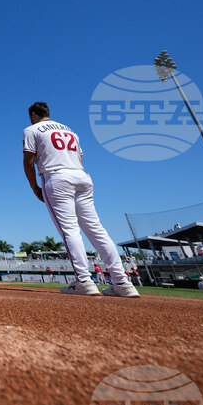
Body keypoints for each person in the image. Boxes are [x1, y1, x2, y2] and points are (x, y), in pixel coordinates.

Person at [22, 102, 139, 298]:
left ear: (33, 114)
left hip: (57, 177)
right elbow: (80, 158)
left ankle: (83, 280)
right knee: (97, 229)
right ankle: (122, 282)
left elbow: (29, 161)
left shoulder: (31, 129)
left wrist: (34, 187)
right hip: (81, 176)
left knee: (69, 229)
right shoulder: (70, 130)